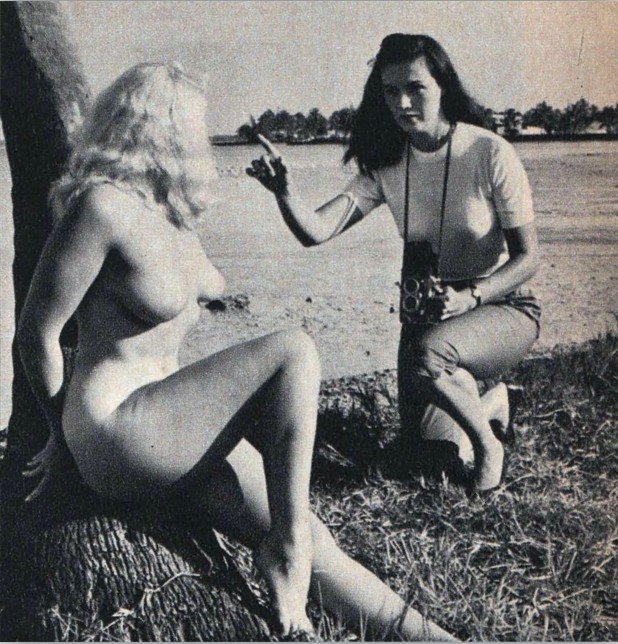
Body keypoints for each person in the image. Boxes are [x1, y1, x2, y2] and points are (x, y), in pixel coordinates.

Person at [18, 63, 457, 641]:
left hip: (169, 431)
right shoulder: (99, 208)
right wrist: (60, 436)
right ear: (162, 127)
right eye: (195, 126)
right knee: (294, 351)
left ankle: (434, 637)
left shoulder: (172, 219)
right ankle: (286, 553)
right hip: (113, 431)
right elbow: (37, 335)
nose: (203, 142)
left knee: (312, 533)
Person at [247, 34, 541, 494]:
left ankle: (490, 448)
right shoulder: (386, 164)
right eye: (390, 91)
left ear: (442, 86)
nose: (402, 103)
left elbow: (529, 258)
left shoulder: (489, 152)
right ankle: (494, 404)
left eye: (415, 88)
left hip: (503, 305)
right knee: (425, 452)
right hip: (428, 314)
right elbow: (315, 231)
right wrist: (284, 192)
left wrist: (470, 298)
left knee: (431, 358)